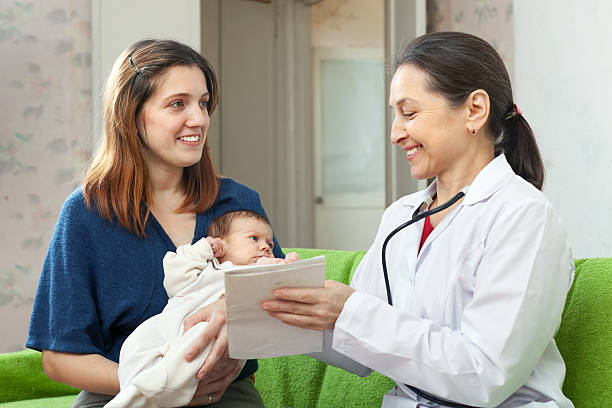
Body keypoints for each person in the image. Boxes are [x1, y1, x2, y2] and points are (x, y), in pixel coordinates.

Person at [260, 32, 575, 408]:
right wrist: (284, 301)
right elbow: (359, 347)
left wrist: (350, 311)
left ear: (475, 110)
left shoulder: (525, 217)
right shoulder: (401, 216)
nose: (395, 133)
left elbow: (486, 375)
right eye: (395, 115)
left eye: (409, 113)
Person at [26, 39, 284, 408]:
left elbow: (287, 311)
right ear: (132, 116)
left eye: (204, 103)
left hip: (222, 395)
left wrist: (238, 311)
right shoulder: (85, 214)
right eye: (178, 103)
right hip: (120, 392)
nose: (198, 118)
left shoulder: (239, 203)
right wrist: (158, 385)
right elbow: (59, 357)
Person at [107, 211, 298, 408]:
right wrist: (203, 249)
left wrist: (288, 268)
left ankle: (140, 398)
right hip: (170, 325)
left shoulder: (257, 274)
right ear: (222, 244)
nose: (265, 246)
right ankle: (135, 388)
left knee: (198, 341)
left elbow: (281, 296)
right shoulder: (204, 269)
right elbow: (173, 278)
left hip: (209, 336)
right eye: (254, 238)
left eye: (270, 244)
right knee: (136, 343)